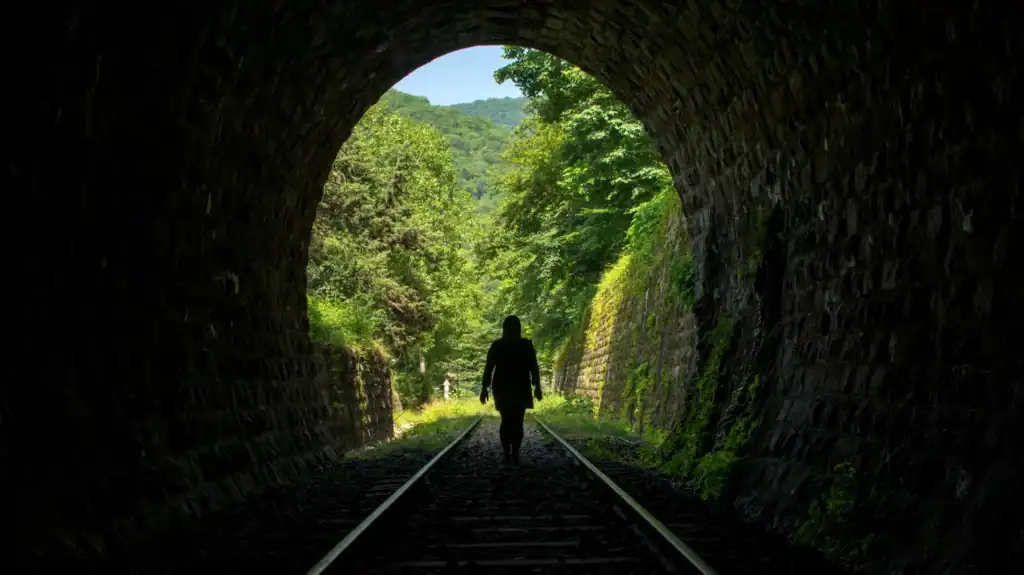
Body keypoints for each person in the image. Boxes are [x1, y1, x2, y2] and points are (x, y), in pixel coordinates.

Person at [479, 315, 542, 464]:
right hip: (521, 387)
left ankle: (508, 455)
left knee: (506, 420)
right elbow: (534, 368)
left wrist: (484, 388)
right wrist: (537, 386)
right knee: (517, 421)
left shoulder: (497, 345)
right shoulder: (526, 345)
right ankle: (514, 454)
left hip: (502, 388)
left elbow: (489, 368)